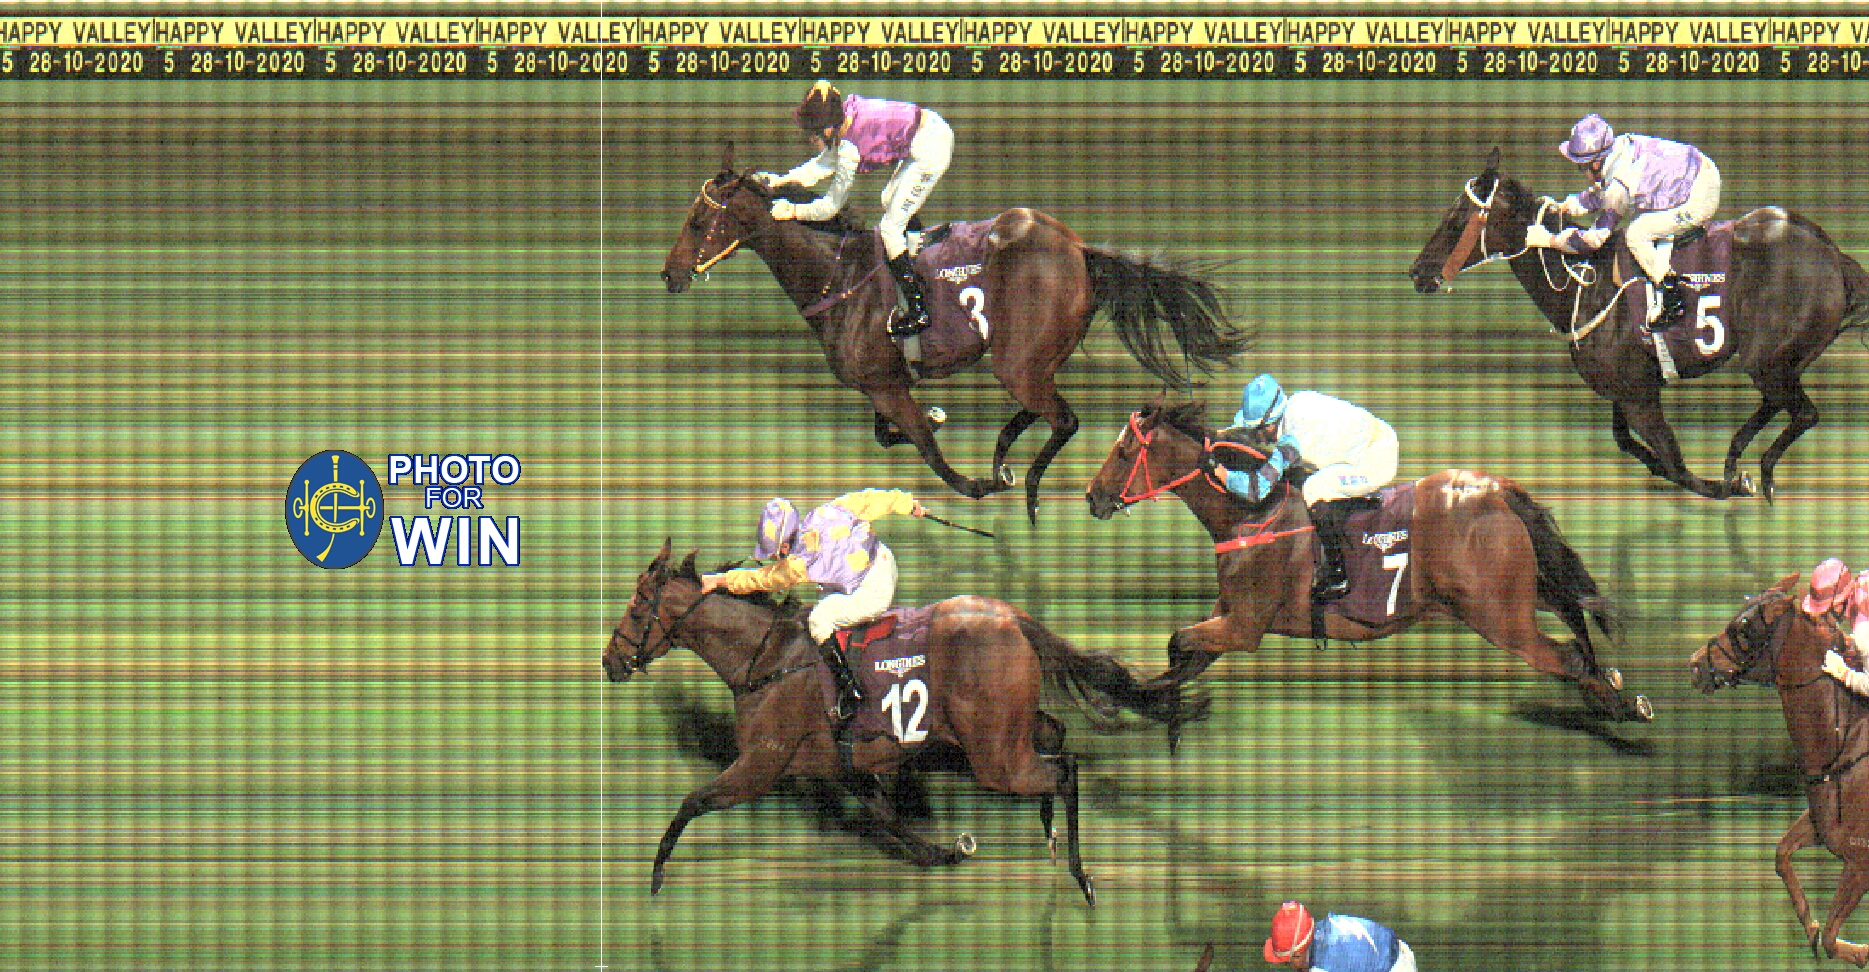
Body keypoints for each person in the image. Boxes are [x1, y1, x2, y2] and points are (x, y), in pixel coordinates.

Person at [700, 490, 928, 719]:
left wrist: (720, 580)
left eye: (774, 554)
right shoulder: (830, 510)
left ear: (784, 547)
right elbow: (871, 500)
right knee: (823, 599)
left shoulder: (799, 563)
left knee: (818, 620)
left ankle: (850, 690)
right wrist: (908, 504)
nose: (775, 558)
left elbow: (763, 579)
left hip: (873, 590)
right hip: (883, 560)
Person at [756, 82, 954, 337]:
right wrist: (780, 180)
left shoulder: (849, 148)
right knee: (889, 199)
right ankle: (916, 247)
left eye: (814, 132)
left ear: (829, 128)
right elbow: (820, 166)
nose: (811, 138)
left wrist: (793, 211)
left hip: (932, 147)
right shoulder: (845, 119)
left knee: (890, 229)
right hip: (927, 131)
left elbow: (830, 206)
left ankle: (918, 311)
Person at [1204, 374, 1399, 603]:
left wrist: (1225, 476)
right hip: (1375, 439)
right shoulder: (1293, 405)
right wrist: (1217, 436)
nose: (1257, 436)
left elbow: (1258, 490)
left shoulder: (1294, 438)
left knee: (1314, 488)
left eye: (1257, 430)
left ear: (1270, 425)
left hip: (1376, 460)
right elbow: (1249, 430)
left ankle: (1337, 574)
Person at [1546, 113, 1721, 330]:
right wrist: (1566, 205)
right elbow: (1603, 193)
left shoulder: (1619, 185)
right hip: (1698, 171)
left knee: (1637, 233)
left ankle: (1671, 294)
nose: (1582, 172)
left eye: (1582, 166)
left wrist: (1550, 240)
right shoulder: (1619, 147)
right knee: (1641, 216)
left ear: (1596, 163)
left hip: (1700, 195)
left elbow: (1593, 239)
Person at [1264, 900, 1416, 972]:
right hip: (1397, 952)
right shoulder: (1320, 932)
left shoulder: (1323, 966)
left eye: (1288, 961)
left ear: (1297, 955)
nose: (1290, 966)